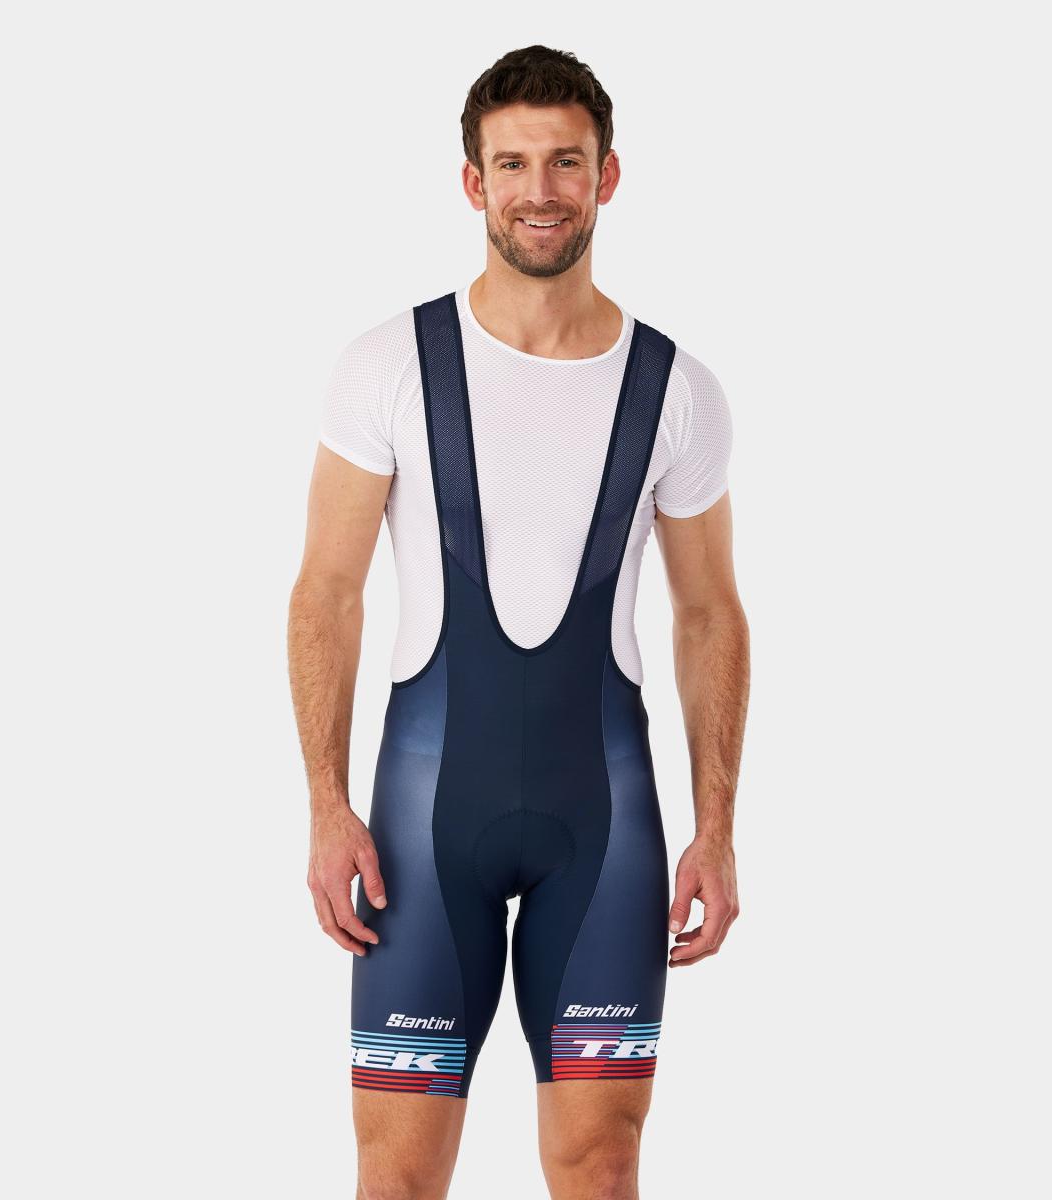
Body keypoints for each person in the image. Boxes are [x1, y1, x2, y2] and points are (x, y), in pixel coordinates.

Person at [288, 44, 751, 1200]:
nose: (538, 190)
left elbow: (708, 614)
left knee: (601, 1164)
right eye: (511, 164)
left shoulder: (675, 388)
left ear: (606, 175)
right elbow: (326, 593)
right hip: (420, 827)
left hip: (606, 828)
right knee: (398, 1174)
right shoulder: (388, 365)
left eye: (564, 162)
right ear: (472, 181)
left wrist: (717, 828)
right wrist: (327, 808)